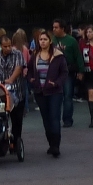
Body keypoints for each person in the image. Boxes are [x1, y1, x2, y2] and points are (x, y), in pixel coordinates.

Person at [0, 33, 25, 145]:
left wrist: (11, 79)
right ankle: (1, 139)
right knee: (0, 116)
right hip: (1, 92)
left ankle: (15, 142)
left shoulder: (17, 54)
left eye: (9, 45)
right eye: (5, 46)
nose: (8, 48)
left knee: (17, 120)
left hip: (17, 91)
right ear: (0, 46)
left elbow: (19, 68)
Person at [31, 30, 68, 158]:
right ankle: (51, 143)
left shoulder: (58, 55)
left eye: (45, 39)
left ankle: (56, 146)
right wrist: (31, 79)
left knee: (54, 117)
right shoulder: (35, 54)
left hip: (54, 91)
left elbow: (64, 72)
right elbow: (29, 69)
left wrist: (57, 83)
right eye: (41, 39)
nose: (42, 42)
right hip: (40, 91)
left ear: (50, 41)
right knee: (46, 119)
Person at [51, 20, 82, 127]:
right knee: (55, 96)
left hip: (67, 70)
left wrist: (80, 71)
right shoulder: (51, 40)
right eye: (53, 27)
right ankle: (55, 119)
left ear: (62, 28)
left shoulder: (71, 41)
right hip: (54, 71)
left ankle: (67, 119)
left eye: (56, 27)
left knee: (68, 95)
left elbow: (78, 56)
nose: (54, 29)